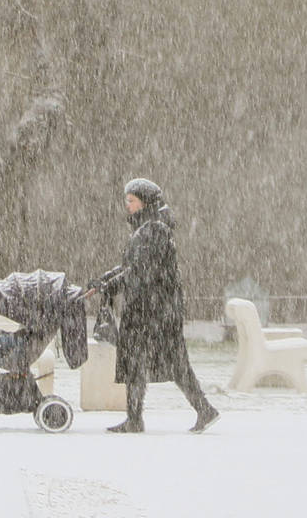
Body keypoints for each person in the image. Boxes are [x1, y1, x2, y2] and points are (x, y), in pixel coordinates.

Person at [97, 178, 219, 434]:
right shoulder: (147, 229)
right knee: (146, 362)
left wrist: (113, 285)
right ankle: (138, 417)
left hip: (154, 310)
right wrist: (106, 279)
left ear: (145, 202)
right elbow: (132, 267)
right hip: (151, 308)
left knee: (160, 362)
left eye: (131, 201)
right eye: (126, 201)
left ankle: (143, 417)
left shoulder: (154, 230)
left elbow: (142, 271)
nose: (127, 206)